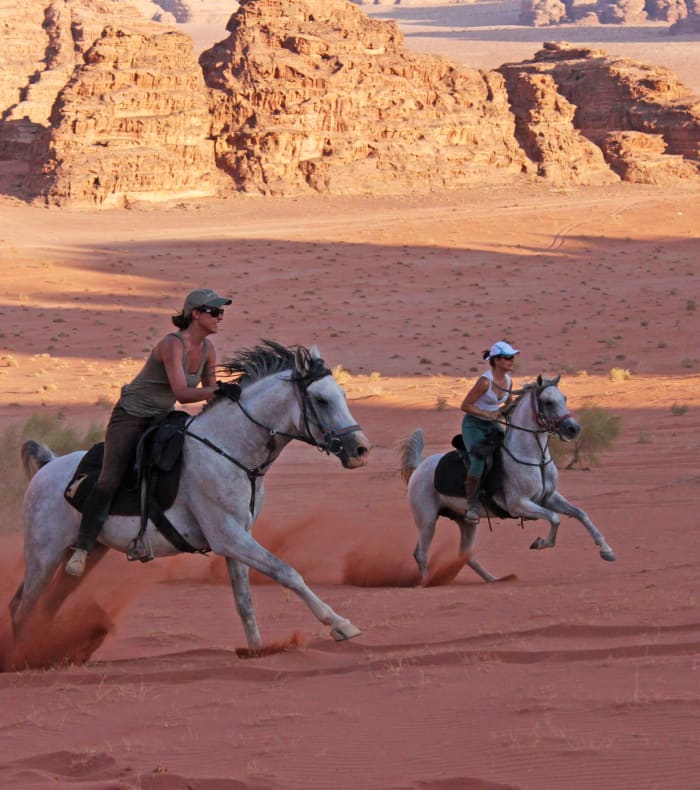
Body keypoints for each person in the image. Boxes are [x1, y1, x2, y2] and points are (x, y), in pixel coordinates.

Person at [64, 287, 232, 577]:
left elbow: (208, 395)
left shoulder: (208, 350)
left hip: (161, 416)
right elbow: (182, 392)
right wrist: (218, 389)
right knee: (110, 476)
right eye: (215, 311)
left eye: (221, 311)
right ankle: (82, 547)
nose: (220, 316)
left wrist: (231, 395)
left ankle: (149, 531)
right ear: (195, 313)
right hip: (131, 416)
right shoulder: (172, 344)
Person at [459, 340, 519, 525]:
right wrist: (488, 414)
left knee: (510, 450)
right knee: (479, 459)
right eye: (508, 357)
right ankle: (472, 506)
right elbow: (465, 405)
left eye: (512, 357)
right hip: (474, 425)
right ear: (497, 360)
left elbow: (508, 403)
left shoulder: (508, 380)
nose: (512, 360)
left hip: (491, 423)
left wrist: (515, 405)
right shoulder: (485, 382)